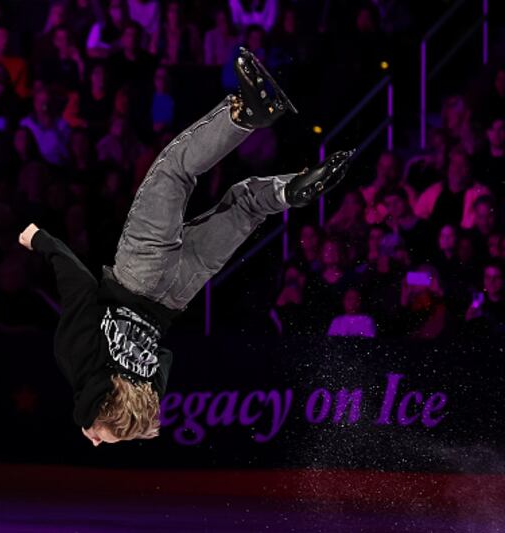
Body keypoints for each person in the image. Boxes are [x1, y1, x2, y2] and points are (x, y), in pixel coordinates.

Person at [18, 49, 354, 445]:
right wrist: (41, 241)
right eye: (100, 438)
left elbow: (164, 358)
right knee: (174, 171)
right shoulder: (79, 366)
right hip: (138, 273)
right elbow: (78, 287)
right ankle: (247, 114)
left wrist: (117, 417)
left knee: (246, 206)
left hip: (178, 294)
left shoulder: (147, 391)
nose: (93, 440)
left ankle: (289, 191)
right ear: (93, 408)